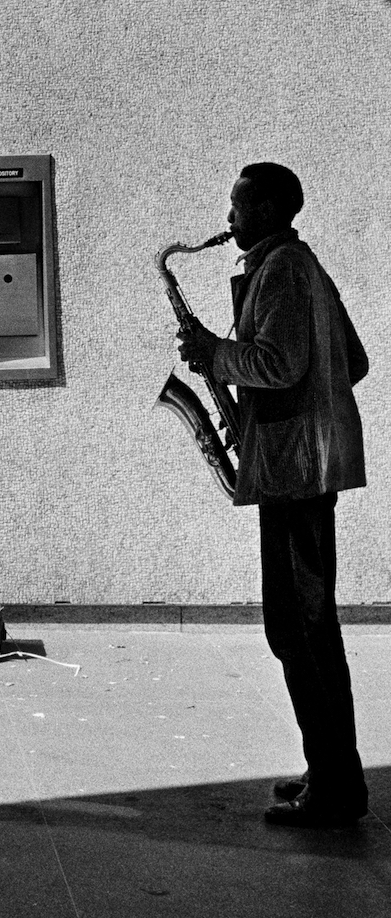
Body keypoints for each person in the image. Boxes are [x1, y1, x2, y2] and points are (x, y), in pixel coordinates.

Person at [179, 162, 368, 828]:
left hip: (297, 471)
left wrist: (212, 350)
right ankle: (332, 772)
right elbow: (356, 358)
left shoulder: (282, 269)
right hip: (307, 468)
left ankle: (338, 789)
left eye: (236, 206)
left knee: (300, 629)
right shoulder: (300, 264)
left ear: (263, 209)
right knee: (305, 627)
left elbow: (279, 364)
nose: (227, 219)